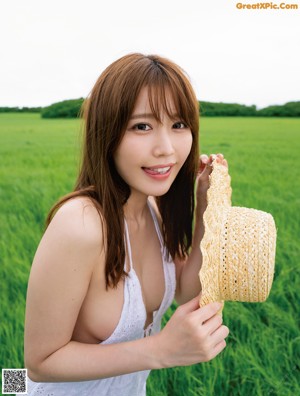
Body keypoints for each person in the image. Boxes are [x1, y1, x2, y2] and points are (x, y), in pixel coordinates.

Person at [24, 53, 229, 395]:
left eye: (179, 124)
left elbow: (183, 290)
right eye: (142, 126)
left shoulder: (153, 206)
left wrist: (208, 209)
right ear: (106, 133)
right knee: (13, 382)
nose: (167, 149)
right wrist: (161, 350)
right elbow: (39, 363)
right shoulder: (82, 225)